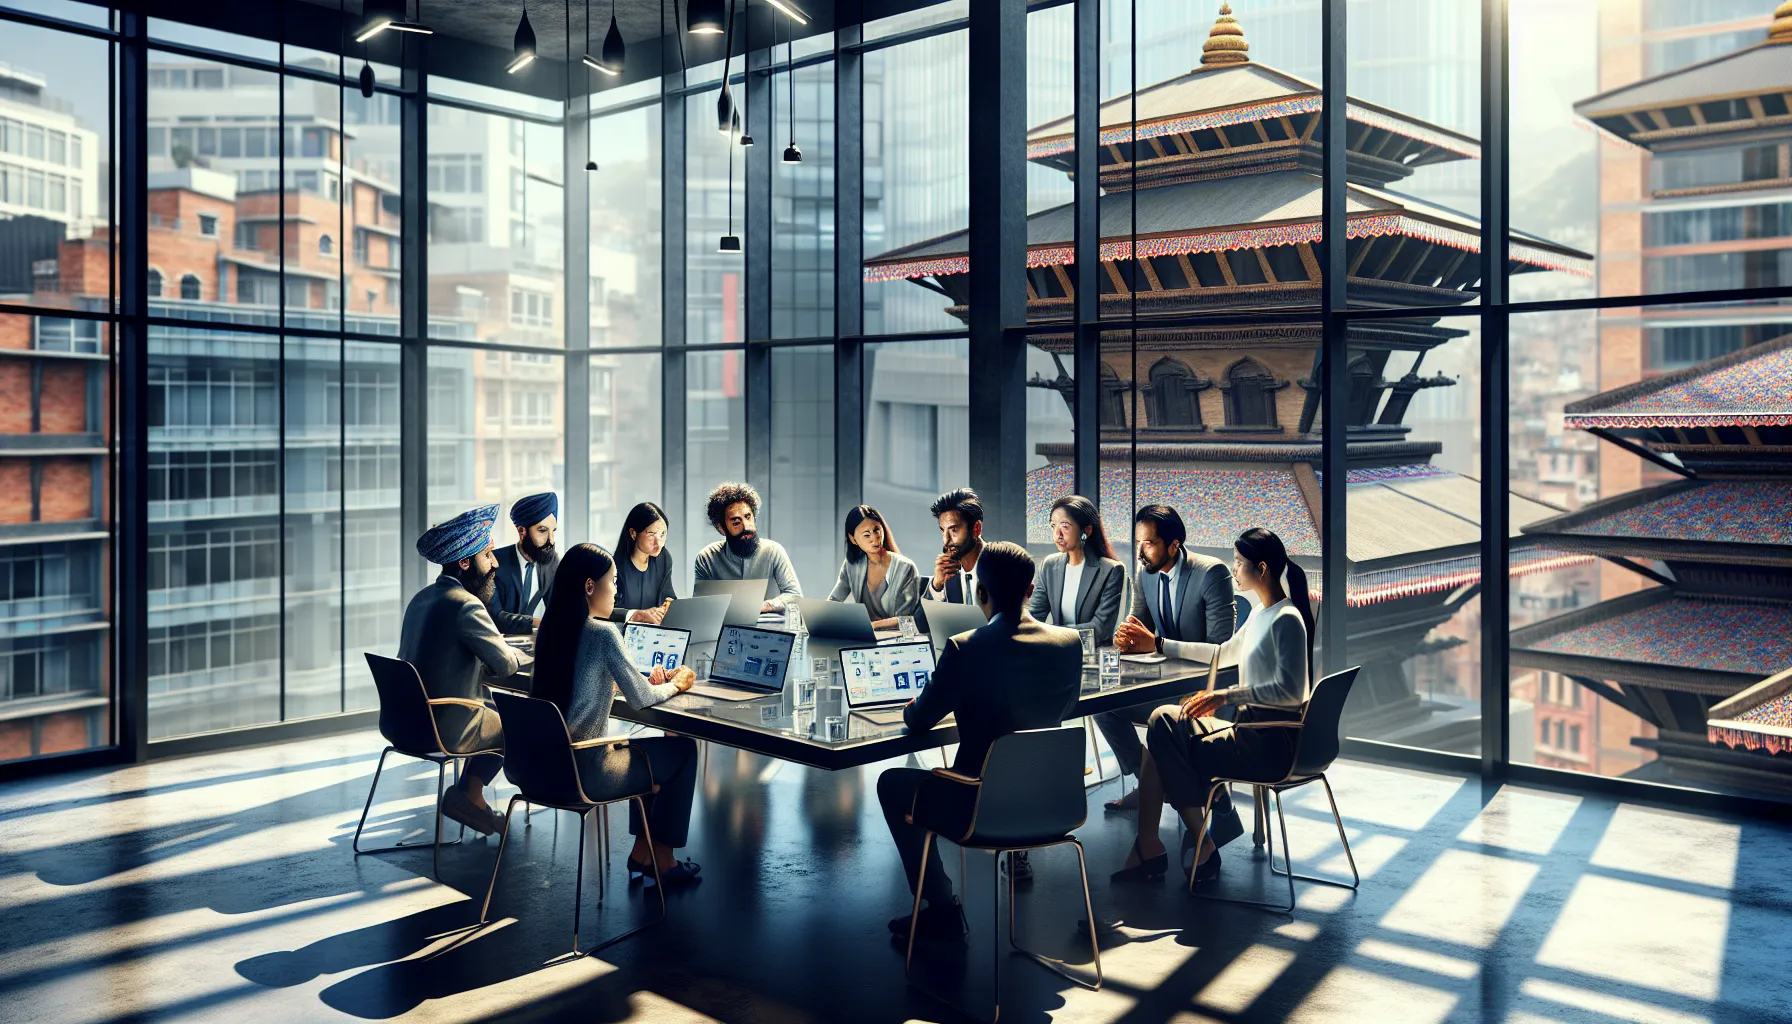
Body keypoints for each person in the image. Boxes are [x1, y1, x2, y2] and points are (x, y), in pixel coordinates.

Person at [878, 541, 1082, 942]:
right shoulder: (1069, 643)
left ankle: (942, 908)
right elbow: (1066, 708)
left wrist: (915, 701)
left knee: (891, 784)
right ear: (1030, 590)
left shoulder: (965, 647)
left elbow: (918, 719)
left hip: (979, 806)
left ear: (979, 593)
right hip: (1054, 801)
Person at [1111, 528, 1314, 886]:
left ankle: (1182, 844)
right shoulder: (1262, 615)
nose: (1234, 570)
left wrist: (1227, 697)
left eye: (1239, 562)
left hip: (1268, 745)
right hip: (1251, 732)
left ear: (1262, 568)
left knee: (1164, 736)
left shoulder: (1287, 619)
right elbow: (1220, 653)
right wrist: (1158, 643)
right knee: (1162, 723)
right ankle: (1166, 842)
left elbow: (1292, 691)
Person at [530, 542, 703, 884]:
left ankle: (643, 851)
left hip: (542, 770)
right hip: (586, 773)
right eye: (613, 582)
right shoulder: (604, 632)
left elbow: (580, 682)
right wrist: (677, 684)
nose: (616, 591)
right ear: (590, 586)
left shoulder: (550, 630)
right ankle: (663, 860)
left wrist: (627, 680)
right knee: (681, 752)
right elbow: (641, 699)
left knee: (645, 755)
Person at [397, 504, 531, 836]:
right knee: (518, 724)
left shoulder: (422, 598)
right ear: (466, 562)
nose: (496, 564)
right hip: (443, 726)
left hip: (405, 723)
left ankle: (471, 799)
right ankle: (470, 796)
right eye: (489, 556)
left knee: (491, 709)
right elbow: (505, 665)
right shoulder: (466, 604)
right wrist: (533, 650)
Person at [1099, 504, 1236, 811]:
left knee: (1164, 723)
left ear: (1174, 545)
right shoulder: (1144, 573)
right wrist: (1126, 638)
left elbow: (1221, 652)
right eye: (1138, 543)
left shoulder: (1212, 574)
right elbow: (1139, 625)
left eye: (1149, 544)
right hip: (1164, 686)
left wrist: (1156, 643)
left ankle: (1182, 793)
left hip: (1204, 693)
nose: (1140, 552)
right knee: (1105, 706)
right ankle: (1150, 782)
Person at [1027, 494, 1127, 645]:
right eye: (1053, 526)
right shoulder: (1049, 565)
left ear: (1086, 531)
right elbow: (1034, 616)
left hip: (1094, 657)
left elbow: (1100, 629)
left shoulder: (1111, 570)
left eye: (1065, 527)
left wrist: (1051, 634)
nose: (1057, 535)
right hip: (1057, 654)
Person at [692, 482, 803, 613]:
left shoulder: (774, 551)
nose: (746, 527)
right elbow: (701, 606)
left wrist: (765, 606)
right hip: (726, 630)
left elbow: (795, 597)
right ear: (721, 528)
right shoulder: (707, 558)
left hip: (770, 629)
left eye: (748, 517)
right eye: (736, 522)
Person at [827, 505, 922, 629]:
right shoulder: (852, 565)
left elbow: (907, 619)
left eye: (876, 530)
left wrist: (869, 626)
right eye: (867, 535)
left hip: (896, 638)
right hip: (866, 636)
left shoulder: (905, 567)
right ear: (853, 539)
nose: (874, 539)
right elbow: (834, 601)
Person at [489, 491, 559, 635]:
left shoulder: (551, 561)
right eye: (543, 531)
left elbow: (557, 609)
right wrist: (539, 623)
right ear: (522, 531)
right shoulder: (494, 562)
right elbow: (494, 617)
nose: (551, 541)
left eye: (553, 531)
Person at [610, 501, 677, 624]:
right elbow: (603, 611)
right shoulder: (613, 567)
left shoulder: (664, 559)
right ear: (633, 533)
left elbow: (668, 595)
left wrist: (666, 606)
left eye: (663, 534)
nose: (659, 543)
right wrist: (636, 615)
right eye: (651, 535)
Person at [924, 487, 986, 606]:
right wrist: (936, 586)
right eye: (943, 530)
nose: (946, 540)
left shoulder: (1002, 566)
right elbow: (920, 621)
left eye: (954, 530)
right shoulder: (948, 574)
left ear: (976, 528)